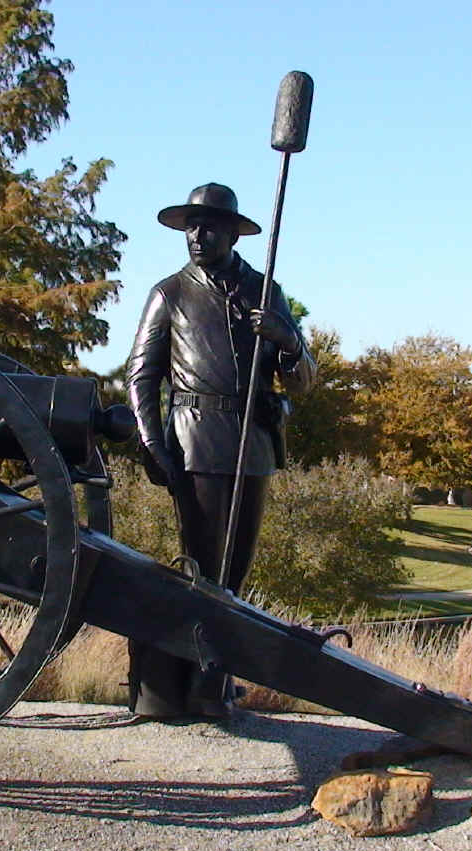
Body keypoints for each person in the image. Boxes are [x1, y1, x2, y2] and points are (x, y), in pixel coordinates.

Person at [125, 183, 316, 718]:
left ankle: (217, 676)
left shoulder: (263, 289)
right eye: (191, 226)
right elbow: (141, 376)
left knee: (236, 570)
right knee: (204, 568)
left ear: (233, 233)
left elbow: (302, 383)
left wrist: (289, 342)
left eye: (208, 227)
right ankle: (193, 680)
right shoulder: (170, 293)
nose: (197, 236)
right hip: (195, 441)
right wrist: (151, 441)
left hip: (252, 443)